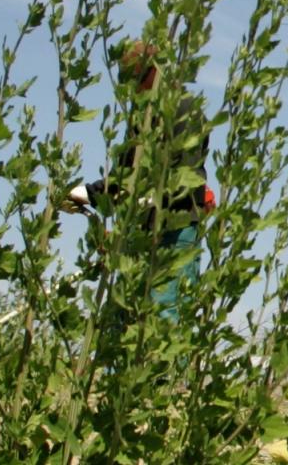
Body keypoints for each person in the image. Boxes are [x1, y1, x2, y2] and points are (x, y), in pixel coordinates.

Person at [66, 39, 210, 323]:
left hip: (175, 233)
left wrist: (134, 206)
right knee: (123, 319)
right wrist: (82, 194)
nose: (133, 91)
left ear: (153, 74)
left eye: (136, 81)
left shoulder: (186, 110)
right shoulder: (141, 118)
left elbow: (184, 181)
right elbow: (124, 176)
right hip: (142, 233)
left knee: (164, 318)